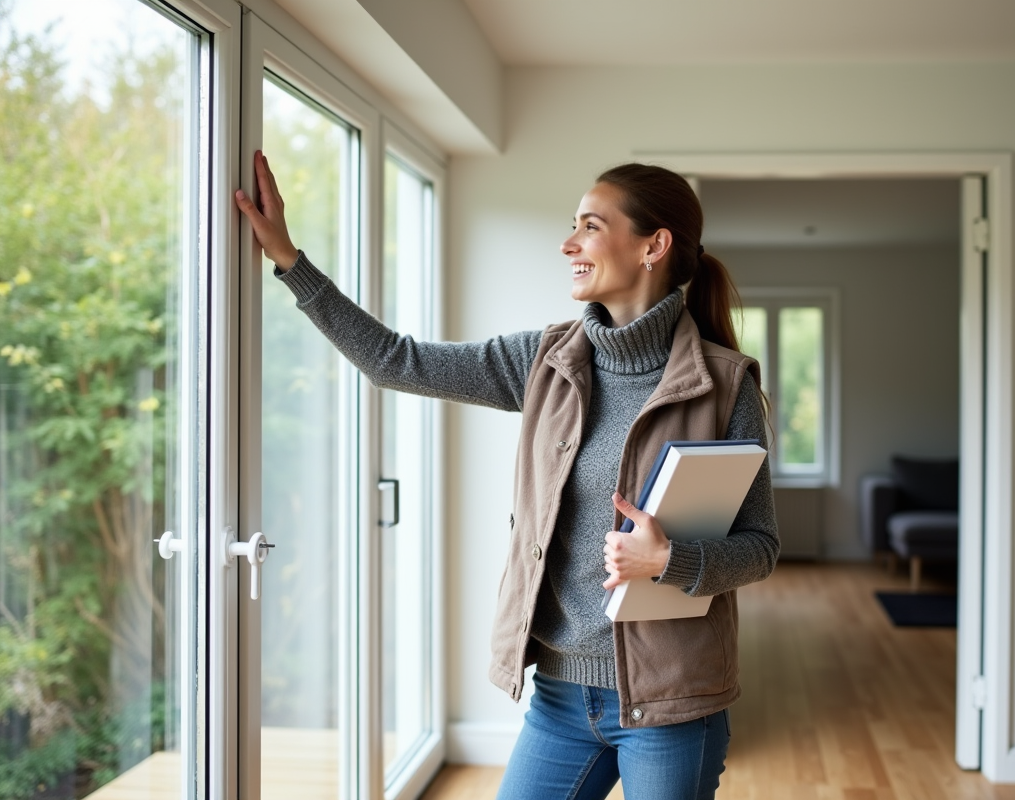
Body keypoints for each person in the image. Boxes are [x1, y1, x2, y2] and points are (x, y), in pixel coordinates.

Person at [235, 151, 779, 800]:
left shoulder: (723, 384)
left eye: (590, 225)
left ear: (653, 245)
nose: (568, 242)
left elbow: (760, 547)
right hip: (558, 697)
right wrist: (292, 264)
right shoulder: (547, 358)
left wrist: (670, 558)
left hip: (672, 703)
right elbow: (394, 361)